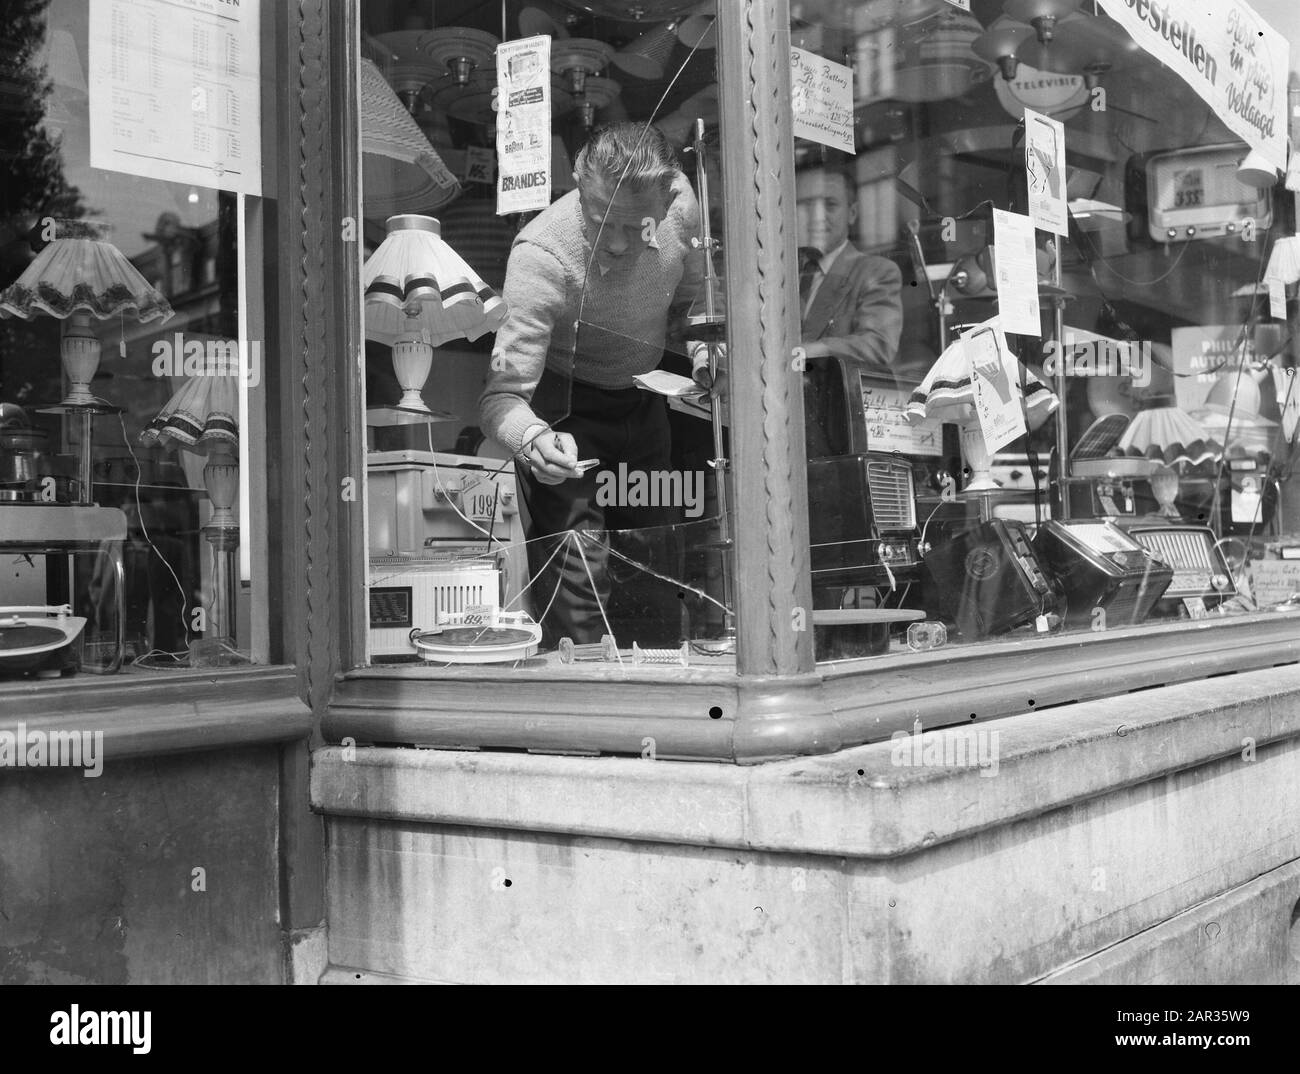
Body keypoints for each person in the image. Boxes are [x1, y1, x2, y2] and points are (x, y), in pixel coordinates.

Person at [479, 122, 705, 647]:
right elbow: (500, 398)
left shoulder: (685, 208)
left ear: (669, 197)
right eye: (602, 222)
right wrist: (532, 440)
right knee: (577, 585)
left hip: (648, 405)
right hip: (564, 413)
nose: (620, 244)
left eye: (637, 225)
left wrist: (702, 351)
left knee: (654, 574)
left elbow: (693, 307)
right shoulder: (540, 254)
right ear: (580, 182)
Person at [795, 162, 904, 458]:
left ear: (852, 213)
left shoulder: (875, 271)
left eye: (830, 205)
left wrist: (806, 351)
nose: (817, 216)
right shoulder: (786, 275)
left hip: (841, 438)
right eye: (806, 205)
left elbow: (878, 344)